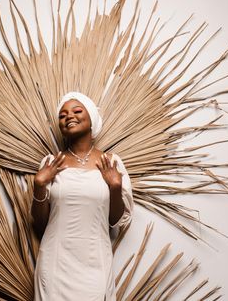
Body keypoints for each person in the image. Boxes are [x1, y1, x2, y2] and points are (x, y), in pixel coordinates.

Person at [31, 91, 134, 301]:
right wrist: (39, 184)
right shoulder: (51, 163)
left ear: (92, 119)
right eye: (62, 115)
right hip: (55, 262)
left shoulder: (111, 163)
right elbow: (41, 223)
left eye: (77, 111)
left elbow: (115, 221)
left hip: (95, 262)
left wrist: (115, 187)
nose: (69, 116)